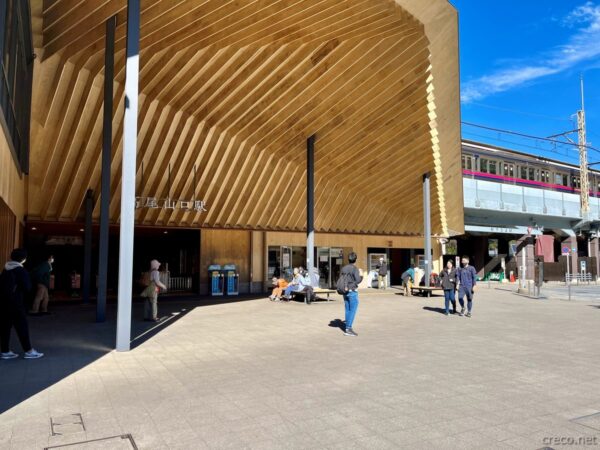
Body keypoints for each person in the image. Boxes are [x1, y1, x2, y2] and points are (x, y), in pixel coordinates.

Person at [0, 249, 44, 359]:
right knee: (22, 327)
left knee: (5, 327)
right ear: (23, 259)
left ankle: (5, 351)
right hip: (16, 303)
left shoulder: (5, 268)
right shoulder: (20, 270)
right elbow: (27, 287)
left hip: (4, 302)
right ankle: (29, 351)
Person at [339, 252, 363, 336]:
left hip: (344, 291)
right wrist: (362, 276)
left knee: (347, 309)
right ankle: (348, 328)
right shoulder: (354, 268)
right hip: (352, 291)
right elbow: (358, 280)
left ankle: (347, 327)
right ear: (355, 259)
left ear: (348, 259)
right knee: (352, 309)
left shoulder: (344, 268)